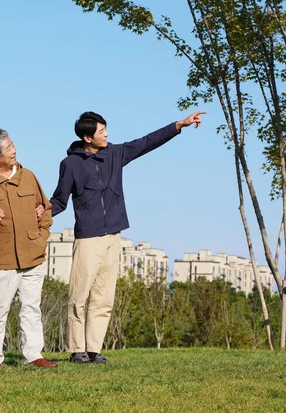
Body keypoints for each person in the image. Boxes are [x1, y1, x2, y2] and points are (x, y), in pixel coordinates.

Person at [50, 110, 205, 364]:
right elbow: (59, 200)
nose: (107, 134)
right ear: (88, 138)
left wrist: (179, 125)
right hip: (88, 239)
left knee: (103, 297)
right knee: (79, 296)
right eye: (102, 131)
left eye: (106, 129)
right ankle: (76, 350)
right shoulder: (71, 164)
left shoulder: (115, 153)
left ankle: (93, 350)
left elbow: (146, 142)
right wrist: (39, 214)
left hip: (114, 237)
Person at [0, 128, 56, 369]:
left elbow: (46, 209)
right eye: (8, 148)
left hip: (33, 255)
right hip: (3, 256)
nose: (14, 150)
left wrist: (42, 236)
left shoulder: (29, 176)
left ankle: (33, 355)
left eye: (13, 145)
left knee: (31, 308)